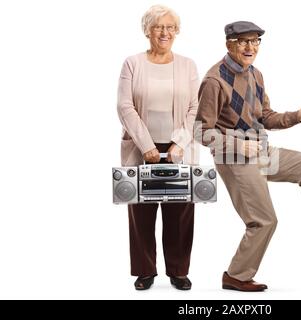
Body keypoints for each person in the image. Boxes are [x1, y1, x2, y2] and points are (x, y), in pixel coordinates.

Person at [195, 21, 301, 291]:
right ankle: (235, 276)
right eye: (243, 42)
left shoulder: (256, 75)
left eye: (255, 41)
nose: (250, 47)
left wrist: (299, 115)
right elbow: (200, 131)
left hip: (260, 151)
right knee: (264, 221)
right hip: (234, 159)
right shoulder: (214, 81)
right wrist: (237, 145)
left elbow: (266, 117)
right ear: (229, 45)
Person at [117, 5, 199, 290]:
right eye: (158, 27)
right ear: (147, 30)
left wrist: (179, 142)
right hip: (141, 148)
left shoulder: (187, 65)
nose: (165, 33)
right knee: (141, 211)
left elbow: (194, 108)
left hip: (179, 148)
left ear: (176, 31)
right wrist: (147, 146)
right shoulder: (132, 63)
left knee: (180, 212)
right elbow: (124, 106)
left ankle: (178, 270)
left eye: (170, 27)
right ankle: (145, 270)